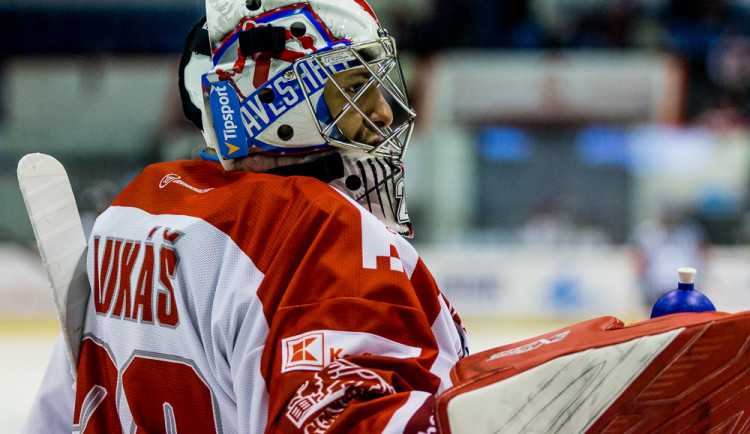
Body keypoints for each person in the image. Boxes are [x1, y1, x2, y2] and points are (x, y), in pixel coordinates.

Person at [22, 0, 468, 432]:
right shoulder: (323, 234)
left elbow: (59, 416)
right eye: (355, 88)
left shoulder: (132, 210)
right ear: (279, 99)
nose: (384, 113)